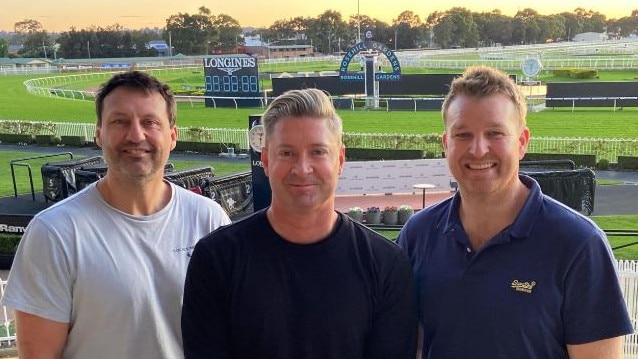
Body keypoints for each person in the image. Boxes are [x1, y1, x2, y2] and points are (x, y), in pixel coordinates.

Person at [397, 66, 633, 358]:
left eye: (495, 133)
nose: (478, 149)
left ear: (521, 143)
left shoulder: (579, 244)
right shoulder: (418, 235)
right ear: (446, 144)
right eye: (463, 134)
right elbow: (411, 346)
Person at [1, 71, 231, 359]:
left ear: (172, 136)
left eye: (150, 122)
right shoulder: (55, 231)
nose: (136, 135)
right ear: (99, 134)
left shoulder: (209, 220)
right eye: (120, 121)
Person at [181, 88, 417, 359]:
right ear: (266, 160)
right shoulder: (216, 258)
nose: (302, 168)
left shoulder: (386, 265)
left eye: (317, 152)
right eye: (287, 153)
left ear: (340, 159)